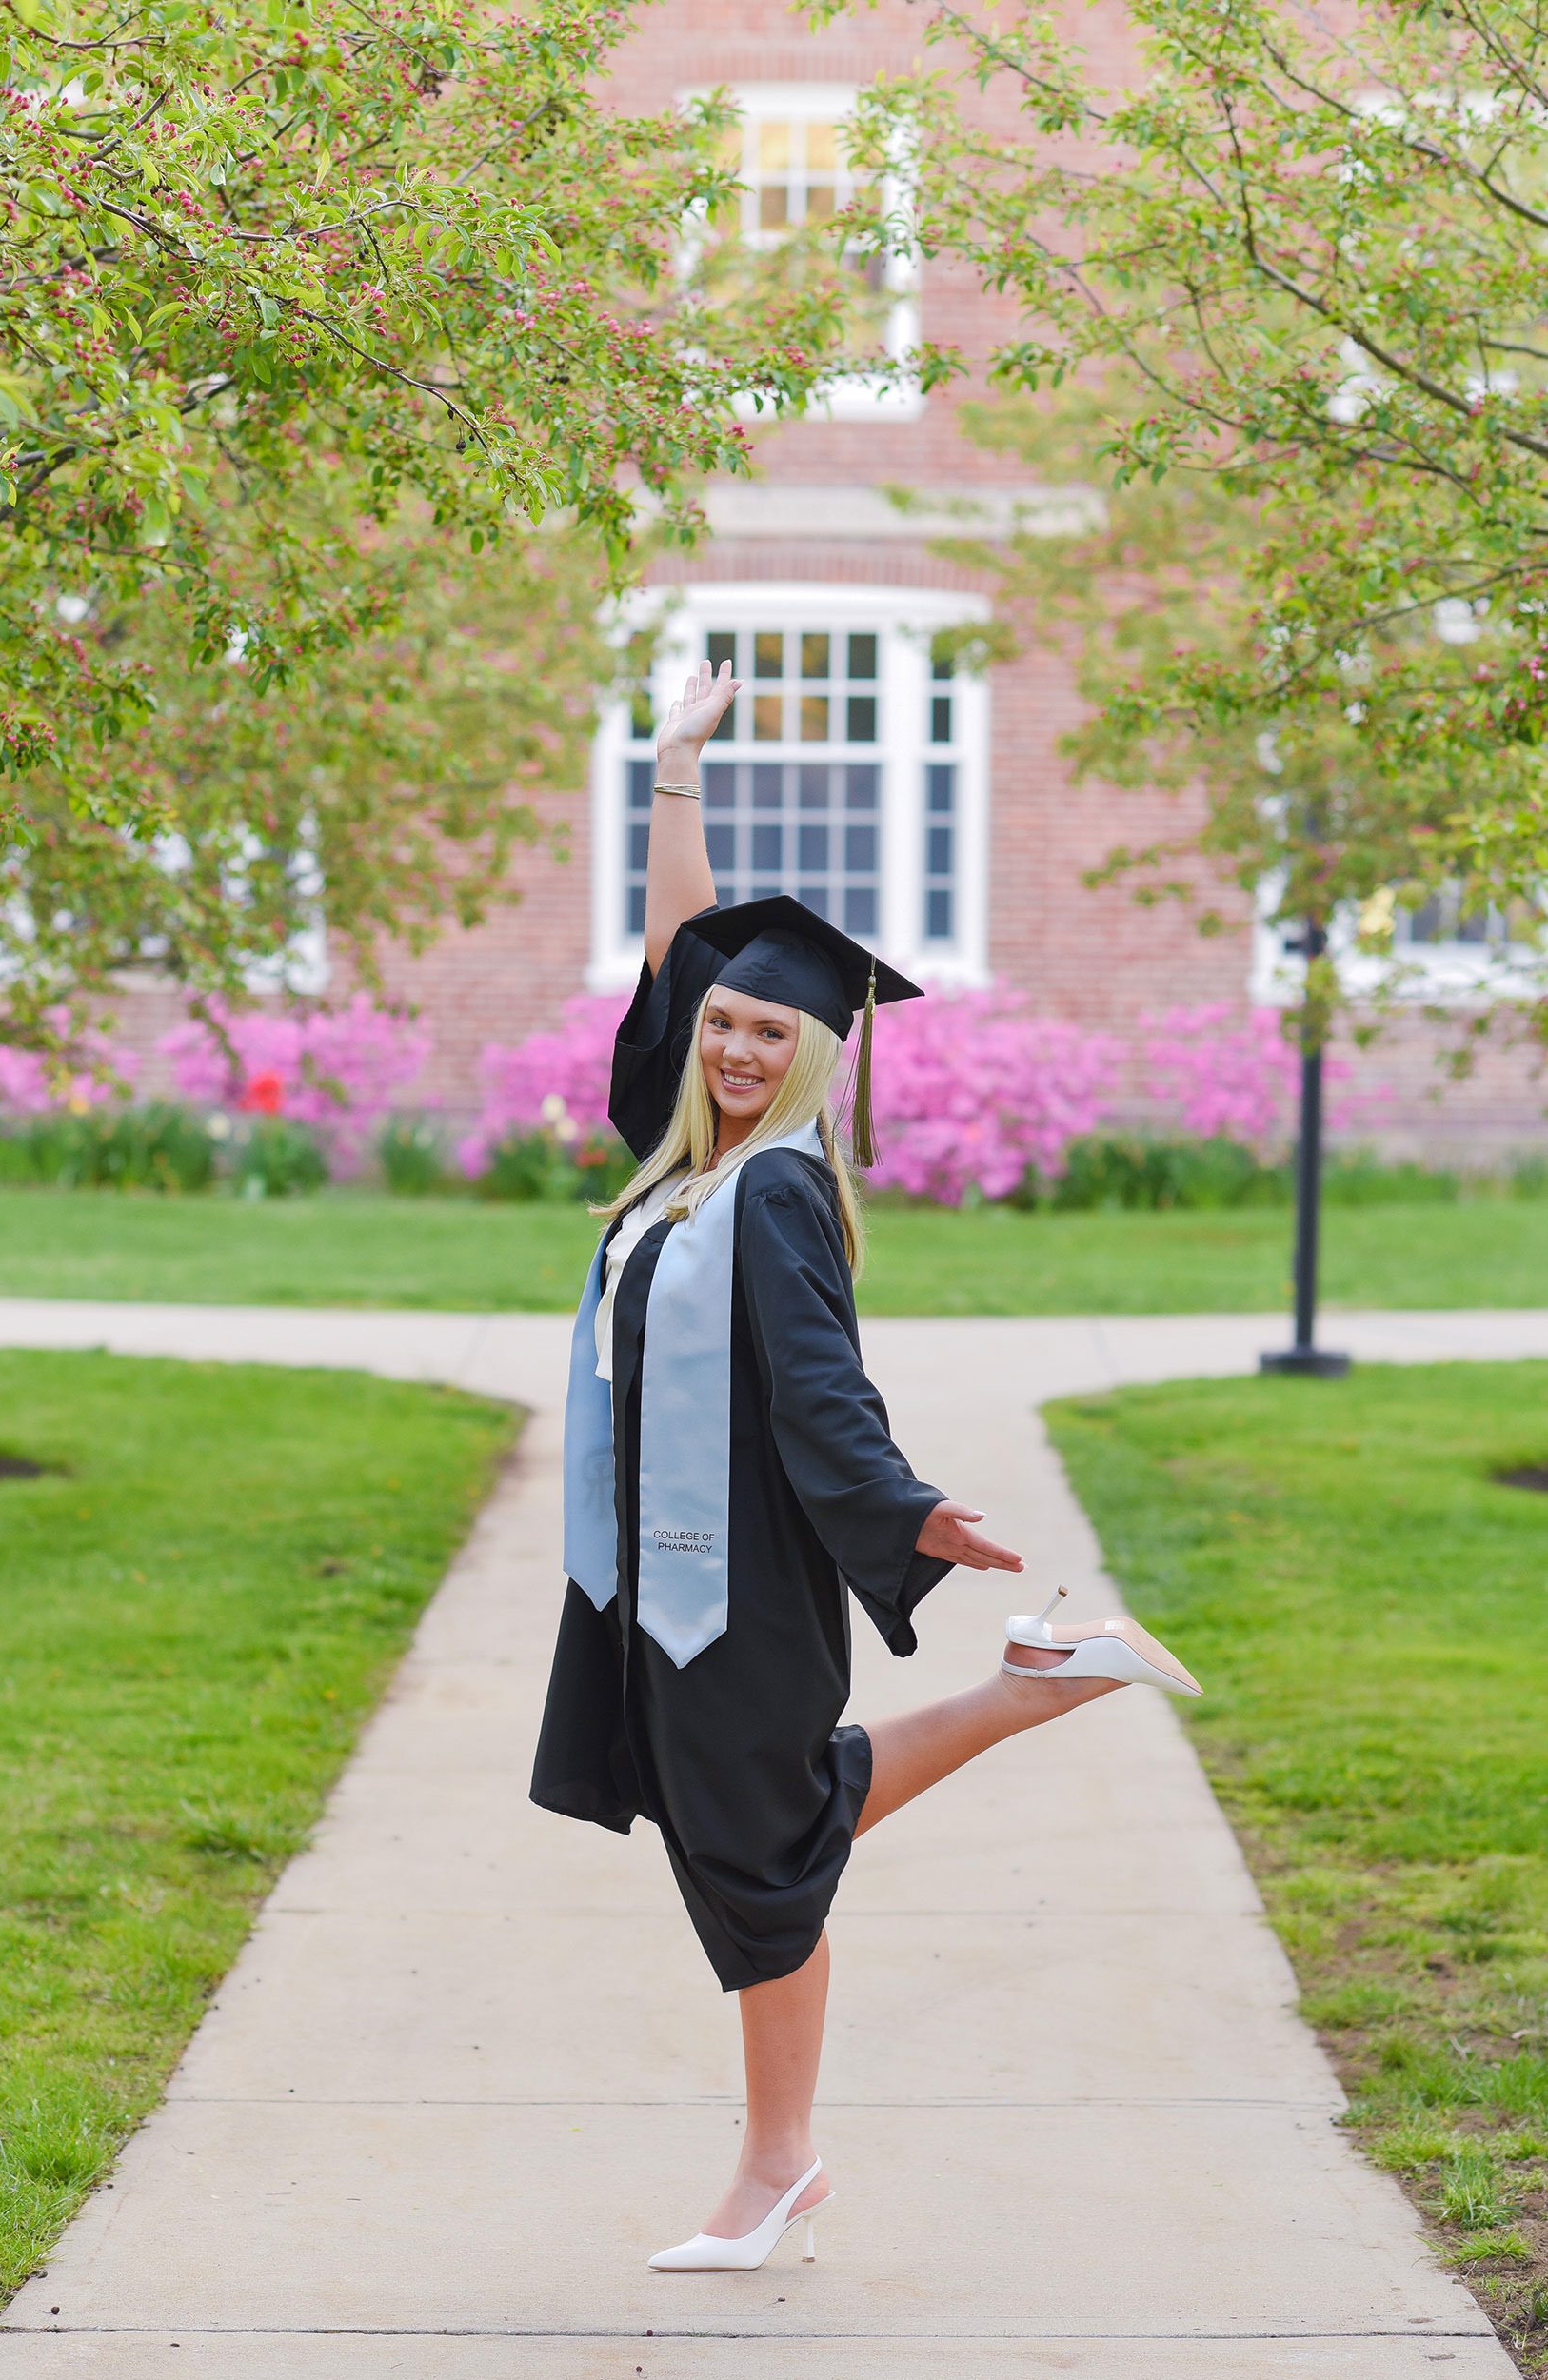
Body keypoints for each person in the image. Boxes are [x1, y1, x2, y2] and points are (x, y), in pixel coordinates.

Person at [529, 656, 1201, 2274]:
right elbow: (673, 953)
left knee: (760, 1857)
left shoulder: (770, 1191)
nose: (740, 1047)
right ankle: (1049, 1682)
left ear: (822, 1054)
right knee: (752, 1836)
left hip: (732, 1580)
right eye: (725, 1025)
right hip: (654, 1571)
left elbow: (822, 1391)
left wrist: (907, 1515)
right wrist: (674, 772)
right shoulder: (685, 1164)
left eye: (773, 1032)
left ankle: (774, 2169)